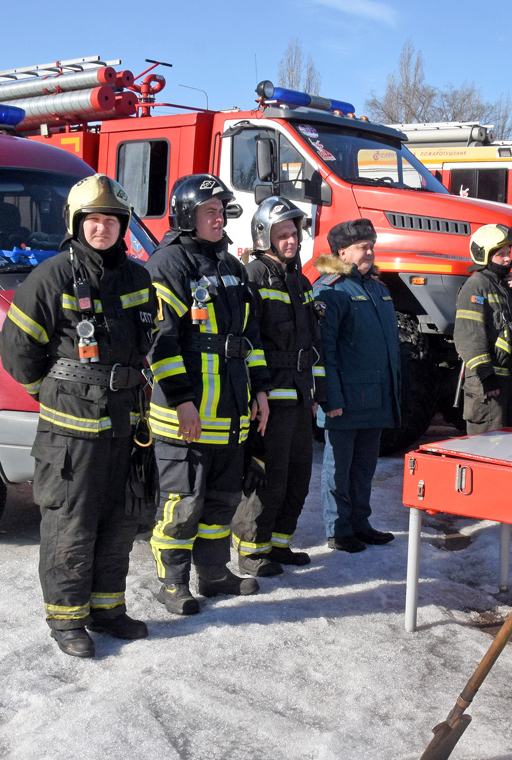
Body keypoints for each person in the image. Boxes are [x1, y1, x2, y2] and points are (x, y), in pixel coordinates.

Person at [0, 174, 156, 657]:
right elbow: (16, 349)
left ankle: (108, 609)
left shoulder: (136, 277)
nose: (102, 229)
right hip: (71, 434)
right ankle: (67, 621)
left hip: (126, 425)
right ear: (76, 223)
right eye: (93, 220)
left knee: (120, 521)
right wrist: (51, 393)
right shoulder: (51, 277)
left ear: (122, 224)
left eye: (110, 220)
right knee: (71, 524)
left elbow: (148, 339)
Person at [145, 174, 271, 615]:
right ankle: (173, 583)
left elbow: (248, 336)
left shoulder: (232, 266)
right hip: (188, 416)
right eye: (209, 212)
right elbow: (162, 343)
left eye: (221, 212)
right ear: (186, 215)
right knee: (183, 503)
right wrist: (181, 401)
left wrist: (261, 393)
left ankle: (214, 574)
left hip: (231, 414)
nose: (219, 219)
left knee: (221, 502)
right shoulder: (169, 264)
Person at [230, 196, 323, 578]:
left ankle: (279, 544)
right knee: (267, 477)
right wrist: (257, 393)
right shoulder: (252, 276)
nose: (291, 241)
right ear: (264, 236)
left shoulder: (300, 281)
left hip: (300, 395)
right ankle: (251, 552)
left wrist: (315, 393)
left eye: (294, 233)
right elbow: (249, 339)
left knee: (298, 476)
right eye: (283, 234)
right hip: (271, 397)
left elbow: (313, 342)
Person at [314, 219, 402, 553]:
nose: (370, 251)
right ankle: (338, 529)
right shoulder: (331, 290)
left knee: (364, 467)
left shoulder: (378, 289)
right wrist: (330, 398)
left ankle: (360, 523)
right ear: (342, 252)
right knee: (339, 469)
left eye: (371, 245)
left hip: (375, 398)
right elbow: (325, 352)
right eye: (363, 246)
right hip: (345, 400)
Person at [455, 224, 512, 434]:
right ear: (483, 255)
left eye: (508, 253)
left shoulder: (508, 285)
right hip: (488, 382)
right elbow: (469, 334)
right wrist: (486, 375)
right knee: (489, 444)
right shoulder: (476, 285)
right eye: (501, 254)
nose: (507, 259)